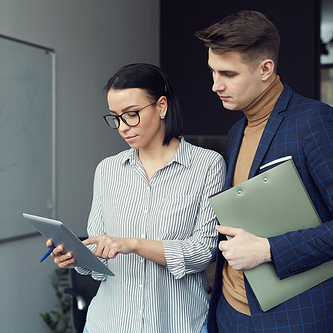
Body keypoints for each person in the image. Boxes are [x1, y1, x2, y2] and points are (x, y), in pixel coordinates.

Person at [195, 10, 333, 333]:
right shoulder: (236, 132)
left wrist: (267, 250)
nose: (215, 85)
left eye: (227, 74)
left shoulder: (316, 122)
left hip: (296, 319)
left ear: (266, 69)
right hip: (229, 314)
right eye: (213, 72)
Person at [48, 63, 226, 333]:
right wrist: (77, 257)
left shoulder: (207, 165)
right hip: (108, 323)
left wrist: (133, 244)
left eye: (131, 114)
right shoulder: (107, 170)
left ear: (162, 106)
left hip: (177, 323)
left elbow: (202, 253)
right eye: (115, 117)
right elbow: (100, 253)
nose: (122, 127)